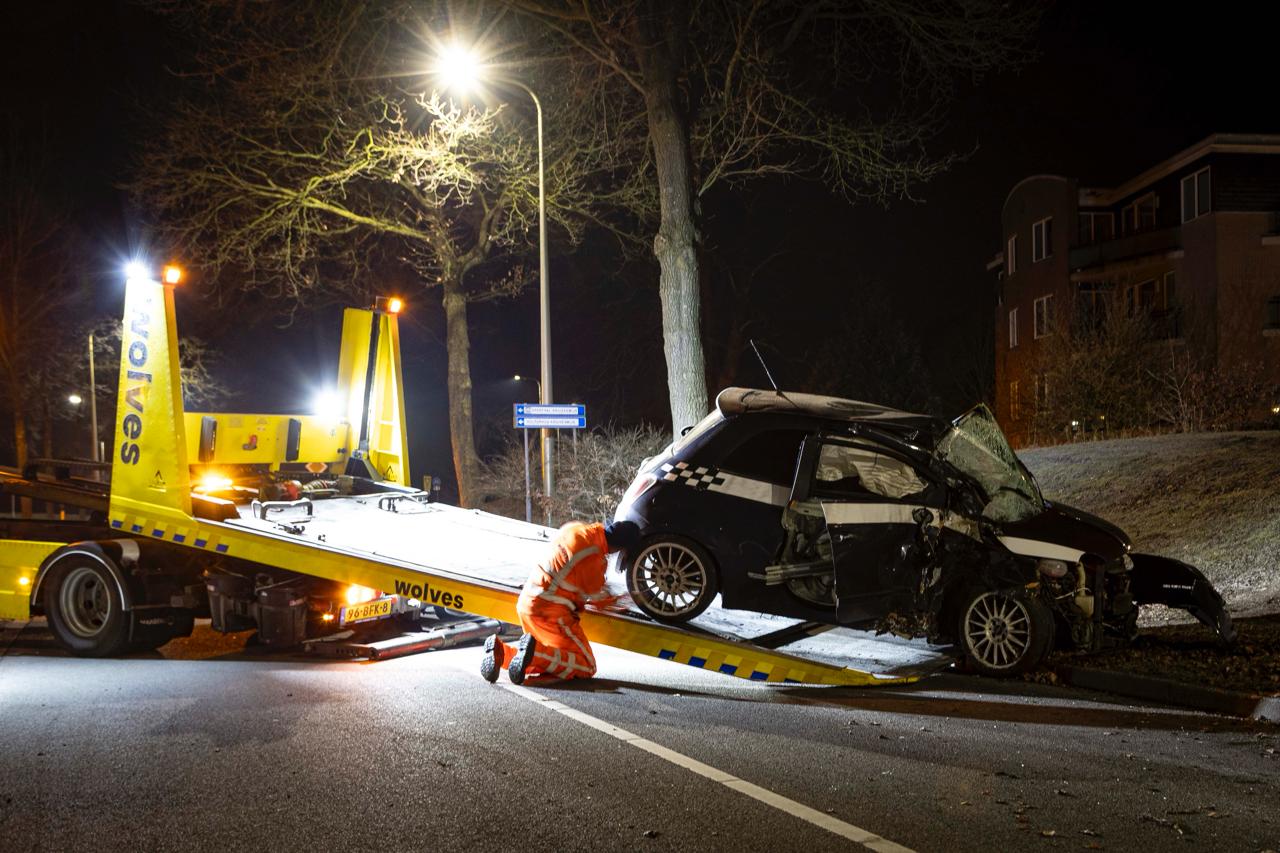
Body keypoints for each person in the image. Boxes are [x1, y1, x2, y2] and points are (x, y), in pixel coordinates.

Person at [481, 519, 640, 685]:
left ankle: (501, 653)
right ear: (620, 548)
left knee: (554, 660)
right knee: (585, 665)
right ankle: (534, 652)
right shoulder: (594, 557)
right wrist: (627, 600)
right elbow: (601, 601)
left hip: (528, 602)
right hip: (550, 612)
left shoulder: (576, 528)